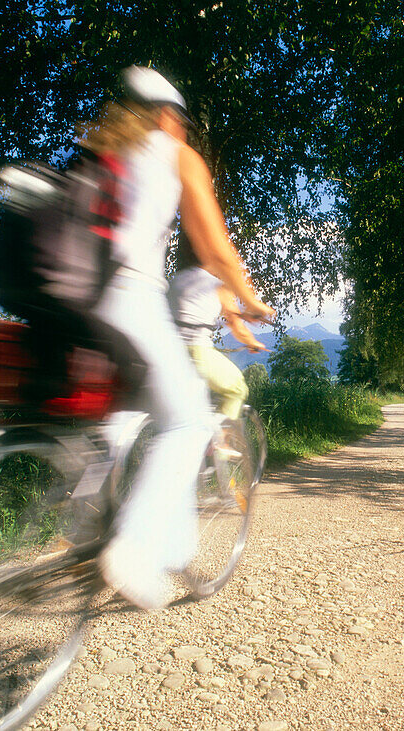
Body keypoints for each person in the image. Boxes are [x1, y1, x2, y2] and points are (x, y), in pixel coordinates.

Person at [82, 66, 273, 609]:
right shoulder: (176, 154)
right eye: (183, 123)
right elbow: (214, 248)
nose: (185, 133)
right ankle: (134, 551)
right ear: (169, 116)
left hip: (73, 299)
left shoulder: (95, 148)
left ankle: (89, 517)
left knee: (127, 414)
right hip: (127, 295)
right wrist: (249, 298)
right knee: (190, 419)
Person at [168, 236, 267, 423]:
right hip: (197, 353)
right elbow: (238, 328)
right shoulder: (218, 286)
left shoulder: (174, 281)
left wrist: (241, 315)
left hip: (168, 353)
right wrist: (253, 343)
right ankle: (221, 448)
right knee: (237, 389)